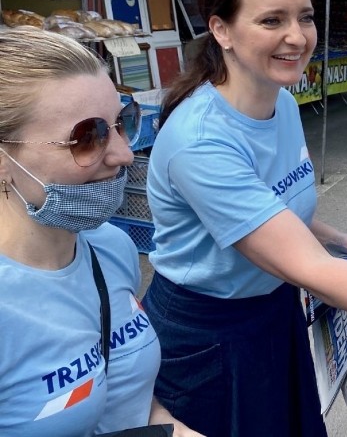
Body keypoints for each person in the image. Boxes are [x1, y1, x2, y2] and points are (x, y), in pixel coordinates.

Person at [141, 0, 347, 437]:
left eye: (305, 17)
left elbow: (268, 202)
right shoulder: (200, 141)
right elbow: (308, 267)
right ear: (221, 30)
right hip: (210, 334)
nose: (297, 37)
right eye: (271, 20)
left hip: (272, 310)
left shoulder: (282, 104)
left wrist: (332, 234)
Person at [0, 28, 202, 436]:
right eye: (88, 137)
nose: (124, 154)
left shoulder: (111, 248)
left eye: (122, 122)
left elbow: (133, 403)